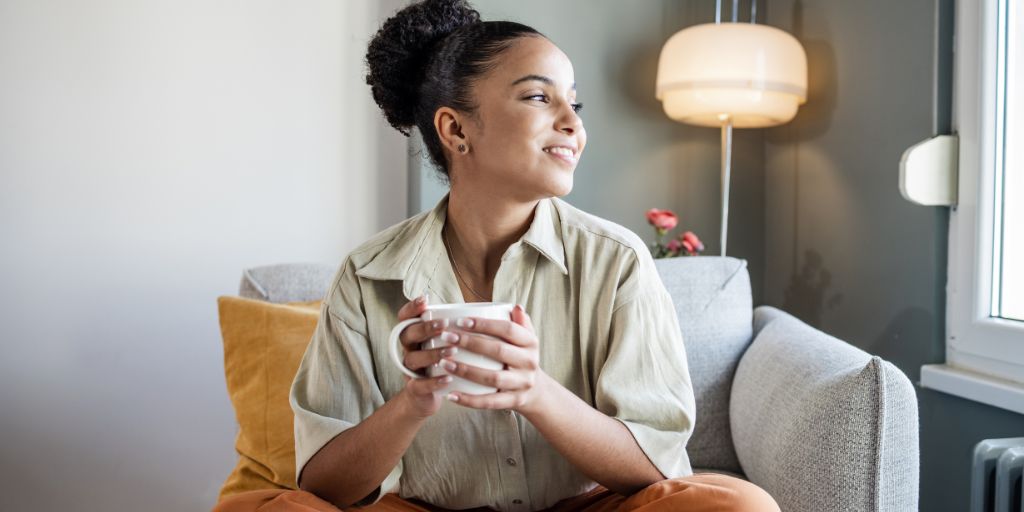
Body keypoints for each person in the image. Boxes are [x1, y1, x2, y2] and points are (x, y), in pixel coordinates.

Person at [215, 1, 781, 511]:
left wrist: (535, 392)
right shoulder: (366, 276)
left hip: (585, 508)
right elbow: (323, 487)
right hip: (420, 510)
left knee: (737, 507)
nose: (573, 122)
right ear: (456, 129)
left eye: (574, 101)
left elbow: (655, 467)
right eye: (540, 96)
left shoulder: (618, 261)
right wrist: (415, 400)